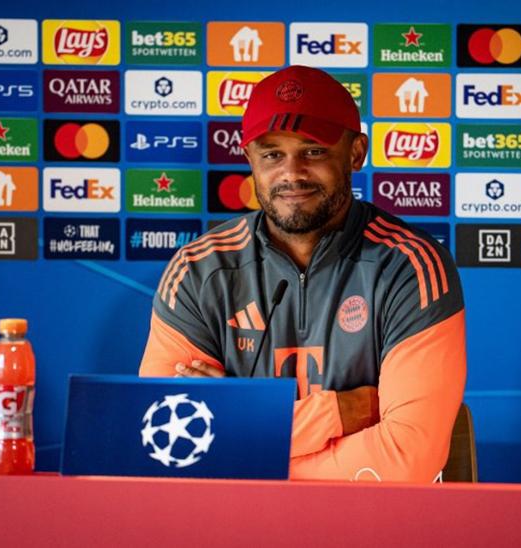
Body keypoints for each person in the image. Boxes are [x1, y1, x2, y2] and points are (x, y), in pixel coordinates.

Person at [139, 65, 466, 482]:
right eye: (272, 154)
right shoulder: (197, 271)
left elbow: (406, 462)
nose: (291, 173)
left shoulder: (411, 267)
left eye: (313, 150)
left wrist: (237, 431)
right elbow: (170, 448)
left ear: (355, 153)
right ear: (250, 160)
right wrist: (341, 412)